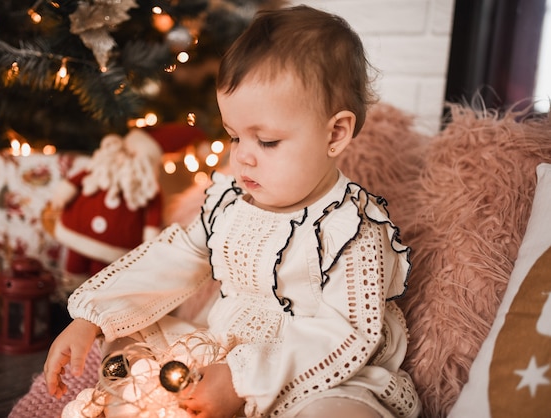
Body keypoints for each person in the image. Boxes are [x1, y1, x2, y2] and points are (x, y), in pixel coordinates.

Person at [44, 5, 421, 418]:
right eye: (235, 136)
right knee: (131, 343)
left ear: (335, 133)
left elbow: (342, 336)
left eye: (267, 142)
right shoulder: (230, 203)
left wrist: (244, 379)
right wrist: (94, 316)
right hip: (227, 347)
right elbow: (172, 259)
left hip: (312, 372)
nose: (243, 158)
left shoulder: (353, 229)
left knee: (342, 411)